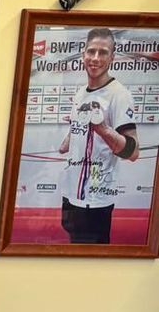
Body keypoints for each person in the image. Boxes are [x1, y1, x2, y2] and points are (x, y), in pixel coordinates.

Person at [58, 27, 140, 244]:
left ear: (112, 57)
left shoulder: (119, 94)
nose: (95, 58)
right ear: (83, 54)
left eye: (103, 52)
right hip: (71, 194)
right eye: (91, 51)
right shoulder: (81, 92)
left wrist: (103, 129)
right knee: (71, 254)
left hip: (95, 200)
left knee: (89, 260)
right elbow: (76, 135)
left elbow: (133, 152)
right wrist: (67, 140)